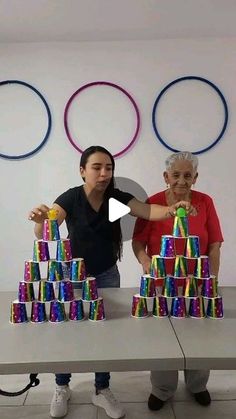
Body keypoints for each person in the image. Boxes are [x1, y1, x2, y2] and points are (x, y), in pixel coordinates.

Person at [28, 146, 194, 419]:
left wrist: (172, 209)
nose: (104, 173)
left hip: (106, 273)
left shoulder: (115, 198)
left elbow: (147, 210)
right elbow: (47, 225)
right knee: (67, 332)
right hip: (73, 277)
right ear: (82, 171)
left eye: (109, 167)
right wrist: (39, 221)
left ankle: (101, 389)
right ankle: (62, 386)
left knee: (105, 334)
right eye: (96, 167)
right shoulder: (71, 198)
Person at [132, 151, 223, 411]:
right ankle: (162, 389)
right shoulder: (154, 203)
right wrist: (146, 262)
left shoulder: (205, 202)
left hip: (195, 281)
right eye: (176, 175)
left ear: (195, 177)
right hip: (161, 281)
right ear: (166, 177)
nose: (181, 181)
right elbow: (138, 241)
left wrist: (211, 278)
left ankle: (197, 384)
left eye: (187, 175)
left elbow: (214, 244)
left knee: (199, 334)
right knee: (161, 336)